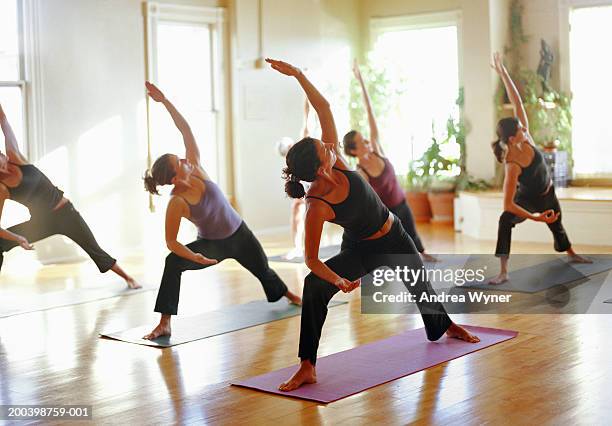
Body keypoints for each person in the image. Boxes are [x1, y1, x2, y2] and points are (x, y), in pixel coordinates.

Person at [265, 58, 480, 392]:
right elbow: (311, 260)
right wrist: (337, 279)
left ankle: (445, 325)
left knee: (419, 284)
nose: (329, 144)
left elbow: (322, 106)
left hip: (394, 234)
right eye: (324, 149)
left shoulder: (336, 155)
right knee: (314, 286)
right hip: (361, 248)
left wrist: (298, 75)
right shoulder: (316, 206)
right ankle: (307, 365)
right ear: (320, 169)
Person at [141, 82, 301, 339]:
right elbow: (171, 242)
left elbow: (185, 129)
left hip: (240, 234)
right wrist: (195, 258)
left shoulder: (195, 167)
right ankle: (165, 322)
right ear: (173, 179)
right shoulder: (177, 202)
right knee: (172, 263)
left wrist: (165, 101)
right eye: (178, 162)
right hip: (211, 245)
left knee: (264, 271)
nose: (184, 160)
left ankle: (290, 295)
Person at [0, 103, 140, 288]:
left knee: (94, 249)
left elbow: (4, 121)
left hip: (67, 214)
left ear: (3, 155)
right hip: (42, 222)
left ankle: (128, 278)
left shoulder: (16, 157)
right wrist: (18, 238)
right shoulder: (2, 188)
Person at [489, 52, 590, 285]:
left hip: (548, 193)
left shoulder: (527, 140)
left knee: (557, 225)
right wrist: (535, 217)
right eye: (521, 130)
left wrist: (504, 73)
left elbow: (516, 102)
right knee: (505, 219)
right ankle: (503, 271)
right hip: (528, 200)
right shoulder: (512, 165)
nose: (526, 129)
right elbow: (508, 204)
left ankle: (571, 254)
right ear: (513, 139)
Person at [344, 60, 437, 263]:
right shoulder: (361, 172)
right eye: (361, 141)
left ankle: (422, 254)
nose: (367, 141)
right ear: (353, 150)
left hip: (402, 203)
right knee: (396, 247)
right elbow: (366, 200)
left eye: (365, 138)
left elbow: (371, 114)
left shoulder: (377, 150)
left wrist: (361, 82)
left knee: (413, 235)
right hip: (388, 214)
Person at [276, 97, 314, 260]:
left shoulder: (303, 144)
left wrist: (306, 98)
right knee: (296, 208)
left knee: (311, 211)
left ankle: (307, 248)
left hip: (316, 182)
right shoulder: (290, 164)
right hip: (306, 187)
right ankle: (297, 247)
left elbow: (306, 118)